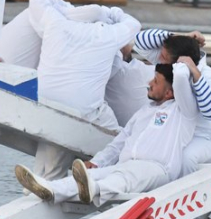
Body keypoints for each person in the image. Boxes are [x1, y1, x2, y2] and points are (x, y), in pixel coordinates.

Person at [14, 62, 199, 206]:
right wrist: (96, 162)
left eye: (156, 81)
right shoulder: (144, 111)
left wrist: (185, 62)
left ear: (169, 93)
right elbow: (118, 143)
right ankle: (50, 188)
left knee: (121, 179)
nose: (149, 83)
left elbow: (182, 78)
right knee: (95, 174)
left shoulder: (183, 111)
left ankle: (94, 190)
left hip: (158, 169)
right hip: (127, 164)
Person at [21, 0, 141, 180]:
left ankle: (41, 180)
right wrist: (109, 11)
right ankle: (98, 176)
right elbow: (134, 24)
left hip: (46, 106)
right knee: (122, 140)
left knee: (54, 142)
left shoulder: (55, 23)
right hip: (85, 111)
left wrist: (67, 8)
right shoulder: (107, 35)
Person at [133, 29, 211, 219]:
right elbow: (139, 41)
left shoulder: (207, 75)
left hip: (202, 141)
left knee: (185, 158)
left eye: (163, 57)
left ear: (181, 62)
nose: (157, 59)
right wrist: (179, 34)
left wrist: (194, 72)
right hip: (172, 134)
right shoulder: (169, 66)